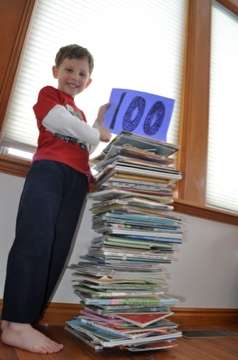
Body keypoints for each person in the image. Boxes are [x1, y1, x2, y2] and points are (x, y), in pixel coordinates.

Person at [0, 44, 111, 354]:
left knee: (57, 248)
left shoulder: (82, 113)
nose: (74, 77)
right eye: (69, 70)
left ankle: (22, 319)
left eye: (82, 73)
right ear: (56, 72)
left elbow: (87, 146)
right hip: (49, 171)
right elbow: (58, 121)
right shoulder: (50, 95)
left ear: (88, 82)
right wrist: (96, 132)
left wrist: (99, 124)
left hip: (76, 180)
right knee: (35, 240)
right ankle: (18, 324)